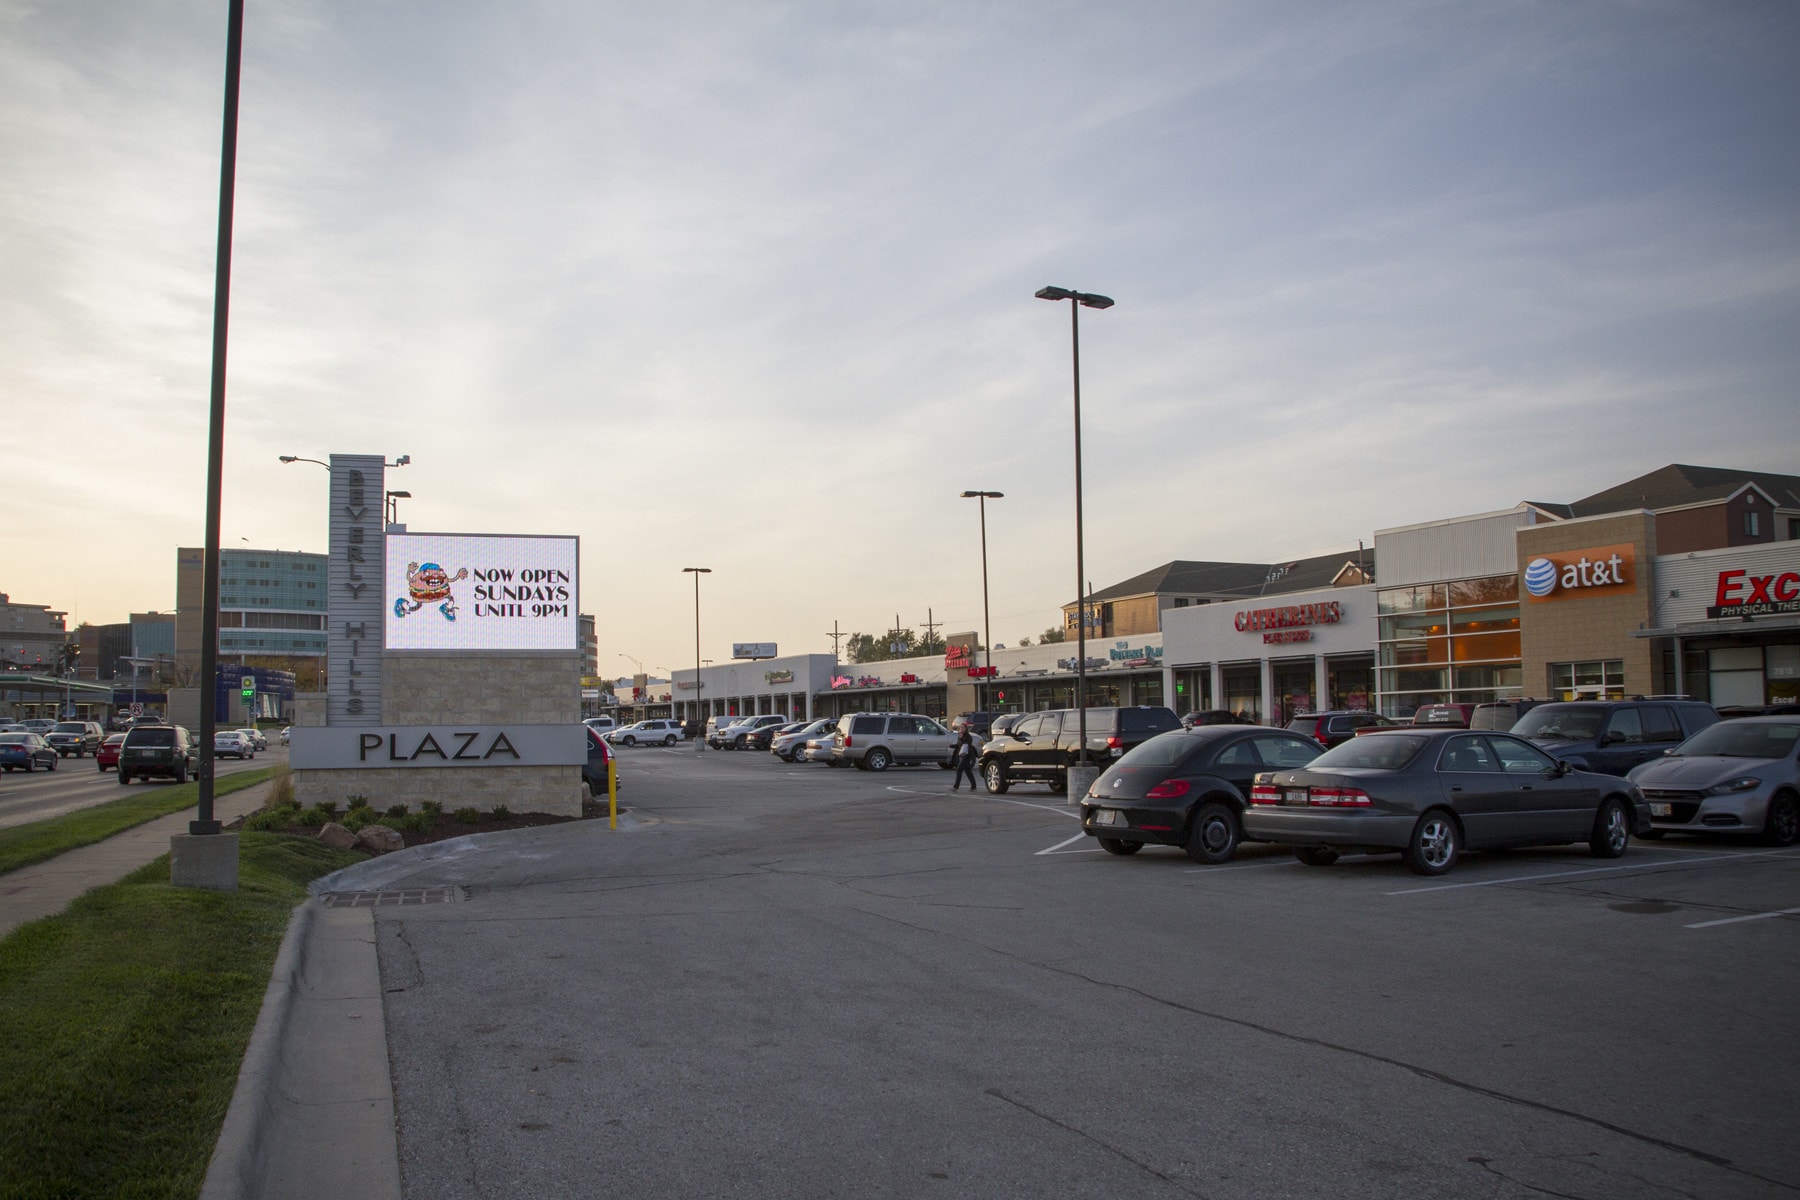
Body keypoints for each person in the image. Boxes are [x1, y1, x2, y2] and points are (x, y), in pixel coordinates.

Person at [951, 725, 982, 790]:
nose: (962, 729)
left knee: (959, 770)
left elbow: (966, 744)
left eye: (963, 728)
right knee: (968, 771)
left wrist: (961, 738)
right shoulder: (960, 736)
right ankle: (973, 786)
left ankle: (956, 787)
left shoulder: (968, 736)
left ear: (966, 729)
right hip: (962, 755)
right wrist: (952, 746)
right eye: (960, 728)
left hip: (967, 755)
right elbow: (959, 745)